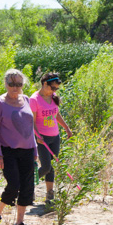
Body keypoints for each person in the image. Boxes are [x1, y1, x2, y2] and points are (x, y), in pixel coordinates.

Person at [0, 69, 38, 225]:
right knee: (14, 185)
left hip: (27, 150)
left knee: (27, 187)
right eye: (12, 84)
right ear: (6, 84)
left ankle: (19, 224)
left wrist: (35, 150)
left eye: (18, 84)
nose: (15, 87)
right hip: (8, 151)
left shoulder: (25, 100)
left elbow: (30, 128)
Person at [31, 71, 73, 207]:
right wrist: (37, 136)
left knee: (52, 166)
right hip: (42, 138)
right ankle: (28, 183)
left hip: (55, 137)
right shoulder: (34, 99)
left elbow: (56, 114)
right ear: (44, 84)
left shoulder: (53, 97)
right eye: (52, 87)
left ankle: (49, 194)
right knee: (46, 167)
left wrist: (66, 128)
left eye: (56, 88)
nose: (54, 91)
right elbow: (31, 121)